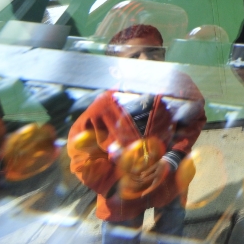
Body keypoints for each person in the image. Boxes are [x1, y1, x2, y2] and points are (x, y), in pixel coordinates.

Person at [68, 24, 206, 244]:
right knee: (120, 236)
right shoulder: (101, 109)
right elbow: (81, 153)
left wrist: (172, 157)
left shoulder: (178, 86)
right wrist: (113, 182)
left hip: (169, 177)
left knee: (171, 227)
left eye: (154, 51)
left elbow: (193, 119)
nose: (146, 60)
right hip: (122, 193)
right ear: (115, 70)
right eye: (134, 56)